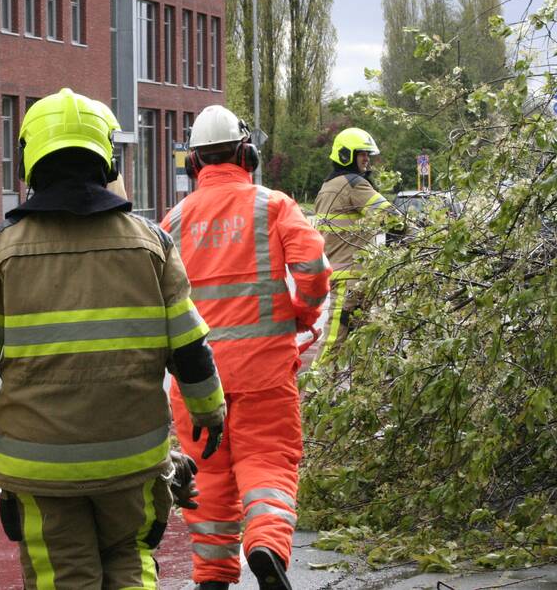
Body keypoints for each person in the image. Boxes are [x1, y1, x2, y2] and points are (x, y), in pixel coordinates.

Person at [0, 88, 225, 589]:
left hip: (41, 464)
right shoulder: (152, 243)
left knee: (62, 574)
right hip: (132, 458)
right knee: (130, 556)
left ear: (30, 160)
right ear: (106, 159)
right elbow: (189, 348)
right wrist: (209, 411)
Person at [161, 105, 332, 590]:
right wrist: (302, 316)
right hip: (265, 374)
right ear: (247, 154)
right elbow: (313, 271)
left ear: (194, 163)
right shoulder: (273, 206)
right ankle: (265, 546)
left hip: (197, 384)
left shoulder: (171, 222)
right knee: (269, 462)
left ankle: (212, 575)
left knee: (209, 478)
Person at [312, 127, 400, 362]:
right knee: (334, 342)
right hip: (353, 278)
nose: (367, 160)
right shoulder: (354, 184)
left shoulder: (326, 187)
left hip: (341, 274)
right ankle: (314, 395)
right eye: (362, 154)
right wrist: (418, 238)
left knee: (367, 341)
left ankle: (357, 392)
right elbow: (392, 217)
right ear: (346, 155)